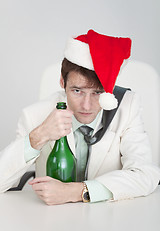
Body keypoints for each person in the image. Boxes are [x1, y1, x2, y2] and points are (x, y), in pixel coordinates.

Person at [0, 29, 160, 205]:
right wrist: (39, 135)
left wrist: (76, 192)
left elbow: (146, 174)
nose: (86, 105)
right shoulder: (33, 115)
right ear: (62, 82)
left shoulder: (127, 106)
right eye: (77, 91)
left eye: (97, 93)